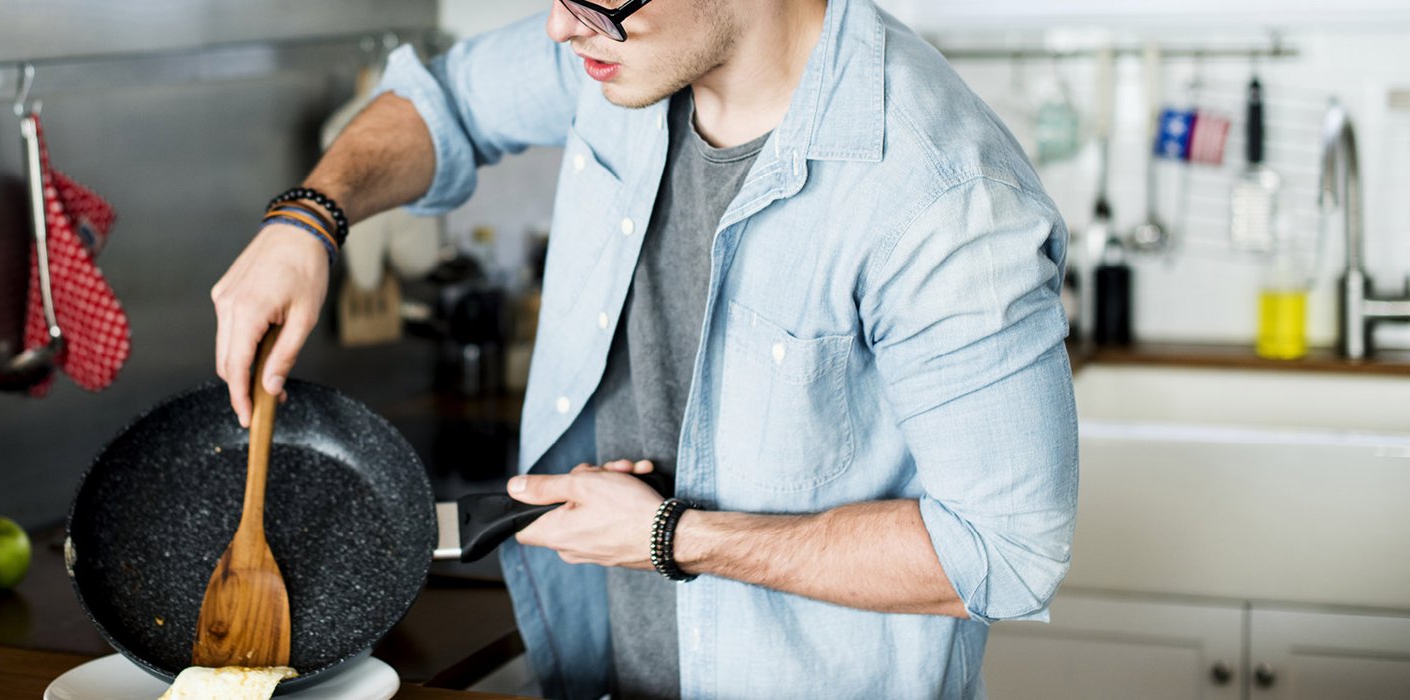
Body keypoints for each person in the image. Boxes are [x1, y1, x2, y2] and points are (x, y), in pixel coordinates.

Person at [209, 0, 1079, 697]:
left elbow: (1000, 552)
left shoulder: (942, 198)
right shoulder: (624, 50)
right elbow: (451, 103)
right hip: (601, 667)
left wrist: (673, 537)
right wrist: (310, 218)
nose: (559, 25)